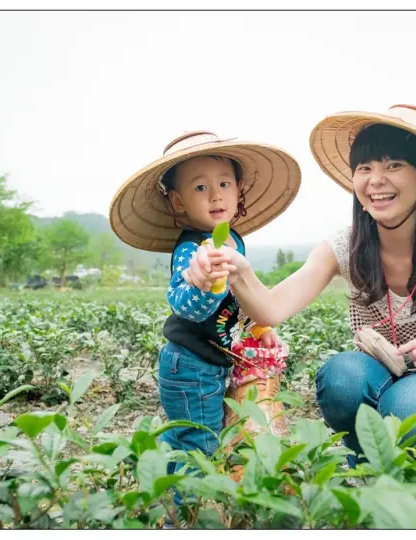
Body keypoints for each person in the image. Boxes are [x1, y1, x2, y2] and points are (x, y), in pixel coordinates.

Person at [180, 105, 416, 465]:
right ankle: (365, 466)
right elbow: (271, 308)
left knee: (409, 403)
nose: (375, 180)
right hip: (377, 374)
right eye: (365, 168)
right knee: (342, 376)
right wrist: (237, 270)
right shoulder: (344, 245)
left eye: (393, 165)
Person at [109, 130, 301, 487]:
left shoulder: (233, 239)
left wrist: (260, 327)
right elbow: (187, 308)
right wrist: (206, 282)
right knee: (198, 445)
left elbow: (239, 299)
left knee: (200, 437)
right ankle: (180, 515)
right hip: (189, 368)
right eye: (200, 188)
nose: (215, 195)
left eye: (224, 183)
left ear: (238, 189)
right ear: (179, 202)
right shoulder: (190, 250)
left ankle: (168, 477)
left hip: (211, 364)